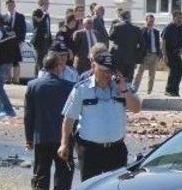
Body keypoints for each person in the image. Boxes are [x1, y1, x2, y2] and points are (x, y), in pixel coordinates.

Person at [58, 51, 141, 182]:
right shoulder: (81, 88)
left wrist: (124, 90)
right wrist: (64, 144)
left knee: (116, 189)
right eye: (102, 70)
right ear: (93, 66)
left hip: (116, 150)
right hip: (90, 151)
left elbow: (136, 109)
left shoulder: (121, 87)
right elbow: (69, 118)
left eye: (109, 71)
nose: (106, 75)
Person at [24, 53, 75, 190]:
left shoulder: (33, 86)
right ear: (57, 67)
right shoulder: (69, 86)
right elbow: (74, 115)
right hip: (63, 138)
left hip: (42, 137)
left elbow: (28, 116)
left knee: (41, 172)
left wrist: (29, 138)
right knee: (64, 172)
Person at [109, 9, 143, 81]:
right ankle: (127, 91)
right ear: (129, 17)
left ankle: (118, 91)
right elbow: (142, 44)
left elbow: (111, 37)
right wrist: (136, 55)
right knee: (129, 78)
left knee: (118, 78)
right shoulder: (136, 29)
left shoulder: (117, 27)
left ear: (121, 17)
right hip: (131, 58)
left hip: (118, 58)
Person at [133, 14, 162, 94]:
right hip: (144, 55)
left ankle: (149, 91)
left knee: (152, 75)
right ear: (146, 21)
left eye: (152, 21)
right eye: (150, 21)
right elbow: (137, 43)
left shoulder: (156, 32)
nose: (151, 23)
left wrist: (159, 54)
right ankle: (134, 90)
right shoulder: (141, 31)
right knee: (139, 73)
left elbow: (158, 44)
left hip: (154, 55)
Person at [3, 0, 27, 84]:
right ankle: (8, 78)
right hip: (7, 42)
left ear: (14, 5)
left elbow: (23, 29)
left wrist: (21, 41)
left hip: (17, 41)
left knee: (16, 60)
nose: (11, 7)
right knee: (7, 60)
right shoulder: (4, 17)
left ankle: (16, 79)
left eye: (12, 5)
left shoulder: (20, 17)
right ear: (6, 6)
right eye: (9, 5)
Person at [162, 10, 182, 96]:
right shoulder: (169, 27)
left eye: (181, 18)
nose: (180, 20)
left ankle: (175, 90)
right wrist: (164, 55)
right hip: (169, 53)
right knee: (173, 71)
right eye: (178, 18)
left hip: (178, 53)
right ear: (174, 17)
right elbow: (163, 42)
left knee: (179, 72)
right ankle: (169, 89)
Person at [30, 0, 52, 67]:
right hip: (39, 40)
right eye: (46, 4)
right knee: (40, 58)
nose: (47, 5)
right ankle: (38, 74)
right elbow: (38, 23)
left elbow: (48, 28)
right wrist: (44, 15)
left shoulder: (47, 15)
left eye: (48, 4)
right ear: (41, 4)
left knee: (45, 58)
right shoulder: (37, 12)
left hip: (46, 40)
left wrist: (50, 39)